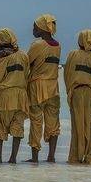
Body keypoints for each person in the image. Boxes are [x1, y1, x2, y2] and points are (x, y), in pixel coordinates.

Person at [64, 30, 91, 164]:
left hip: (76, 92)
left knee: (76, 125)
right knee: (89, 124)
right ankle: (88, 156)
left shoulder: (73, 54)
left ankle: (75, 156)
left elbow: (67, 74)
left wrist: (69, 90)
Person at [0, 28, 30, 163]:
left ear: (2, 42)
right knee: (17, 126)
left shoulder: (2, 57)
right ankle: (13, 158)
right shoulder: (24, 55)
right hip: (21, 96)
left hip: (5, 95)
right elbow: (27, 75)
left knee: (0, 125)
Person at [27, 14, 61, 162]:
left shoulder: (37, 45)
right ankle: (51, 156)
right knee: (53, 122)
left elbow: (27, 63)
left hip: (37, 86)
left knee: (36, 121)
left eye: (35, 26)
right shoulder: (58, 46)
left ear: (42, 27)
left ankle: (35, 158)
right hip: (53, 86)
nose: (33, 29)